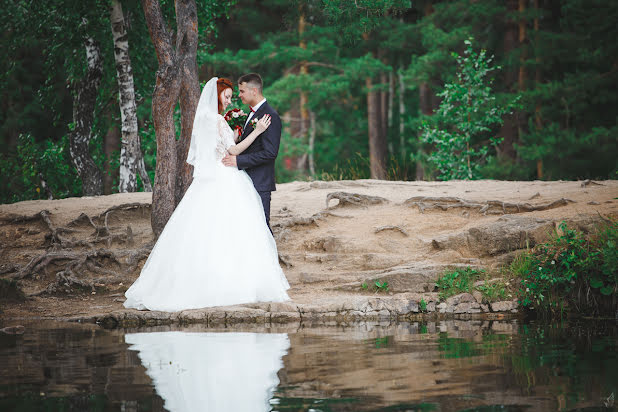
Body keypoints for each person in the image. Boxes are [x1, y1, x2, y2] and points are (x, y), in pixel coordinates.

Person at [123, 77, 290, 312]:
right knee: (237, 230)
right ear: (218, 95)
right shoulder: (218, 120)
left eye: (237, 94)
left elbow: (261, 151)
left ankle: (214, 279)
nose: (233, 100)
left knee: (215, 229)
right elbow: (231, 149)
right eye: (229, 96)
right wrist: (254, 133)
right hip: (227, 176)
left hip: (217, 179)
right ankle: (236, 281)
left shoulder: (206, 119)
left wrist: (240, 136)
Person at [222, 73, 281, 231]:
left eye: (241, 91)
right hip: (244, 181)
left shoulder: (270, 116)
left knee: (261, 228)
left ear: (254, 91)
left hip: (259, 182)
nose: (239, 95)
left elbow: (270, 153)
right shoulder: (250, 114)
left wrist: (238, 161)